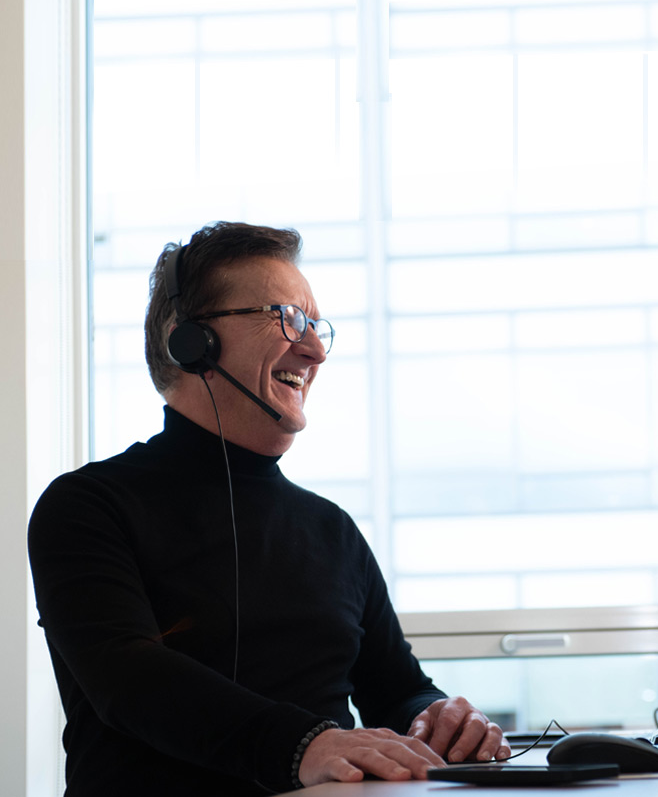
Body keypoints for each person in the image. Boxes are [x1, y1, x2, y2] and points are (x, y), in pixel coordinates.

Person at [28, 222, 510, 796]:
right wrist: (308, 745)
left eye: (317, 326)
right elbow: (126, 677)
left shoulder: (331, 529)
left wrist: (441, 717)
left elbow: (398, 687)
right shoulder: (87, 506)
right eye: (288, 317)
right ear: (192, 341)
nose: (315, 350)